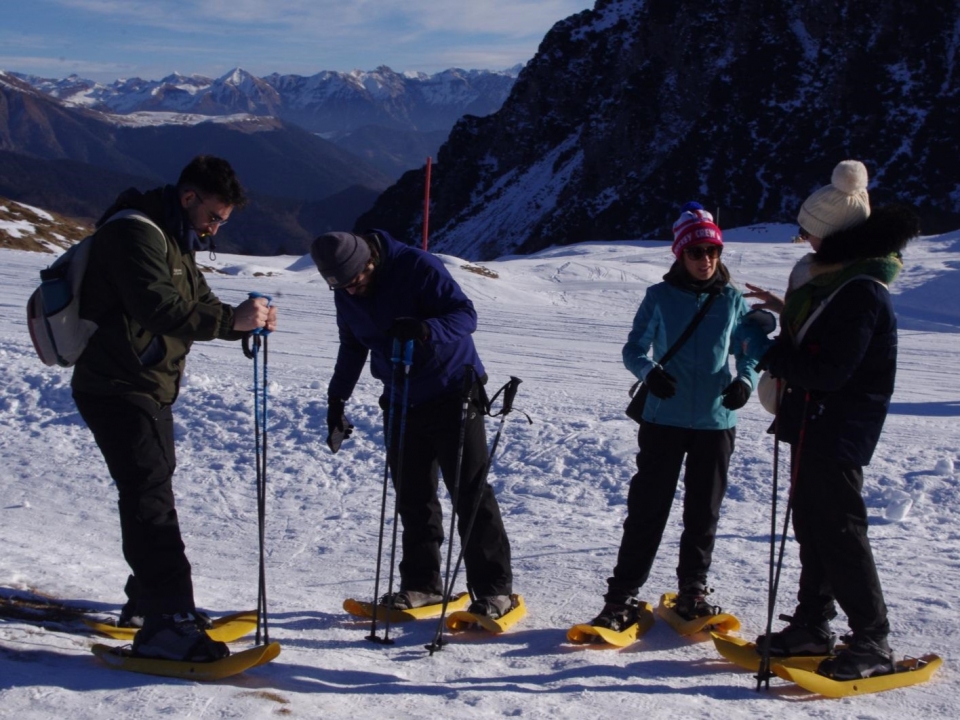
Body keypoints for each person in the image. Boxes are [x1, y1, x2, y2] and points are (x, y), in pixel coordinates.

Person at [71, 155, 278, 662]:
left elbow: (197, 299)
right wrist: (232, 322)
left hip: (146, 383)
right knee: (149, 498)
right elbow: (158, 307)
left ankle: (148, 604)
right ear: (189, 197)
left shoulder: (171, 236)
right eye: (214, 216)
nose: (216, 227)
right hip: (117, 383)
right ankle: (167, 624)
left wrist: (240, 321)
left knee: (152, 488)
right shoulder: (136, 234)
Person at [748, 160, 920, 680]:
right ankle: (813, 623)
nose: (804, 241)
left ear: (833, 237)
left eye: (809, 233)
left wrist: (768, 352)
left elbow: (828, 371)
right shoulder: (842, 283)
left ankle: (872, 638)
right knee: (815, 526)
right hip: (815, 422)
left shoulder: (862, 291)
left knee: (840, 530)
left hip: (836, 427)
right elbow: (827, 344)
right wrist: (789, 317)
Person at [311, 230, 515, 619]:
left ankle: (494, 590)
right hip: (401, 396)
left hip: (453, 388)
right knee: (413, 494)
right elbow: (352, 344)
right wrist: (337, 398)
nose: (351, 292)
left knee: (468, 492)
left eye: (355, 282)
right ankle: (422, 585)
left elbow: (465, 315)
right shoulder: (345, 288)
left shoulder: (418, 266)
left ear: (369, 261)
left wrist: (426, 329)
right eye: (340, 288)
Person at [590, 202, 770, 631]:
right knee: (647, 510)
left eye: (713, 251)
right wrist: (649, 373)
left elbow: (749, 349)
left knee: (702, 513)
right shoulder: (659, 297)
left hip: (716, 421)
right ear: (679, 254)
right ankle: (621, 597)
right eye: (696, 252)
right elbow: (632, 349)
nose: (706, 259)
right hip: (663, 419)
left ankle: (693, 591)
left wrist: (744, 381)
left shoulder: (730, 301)